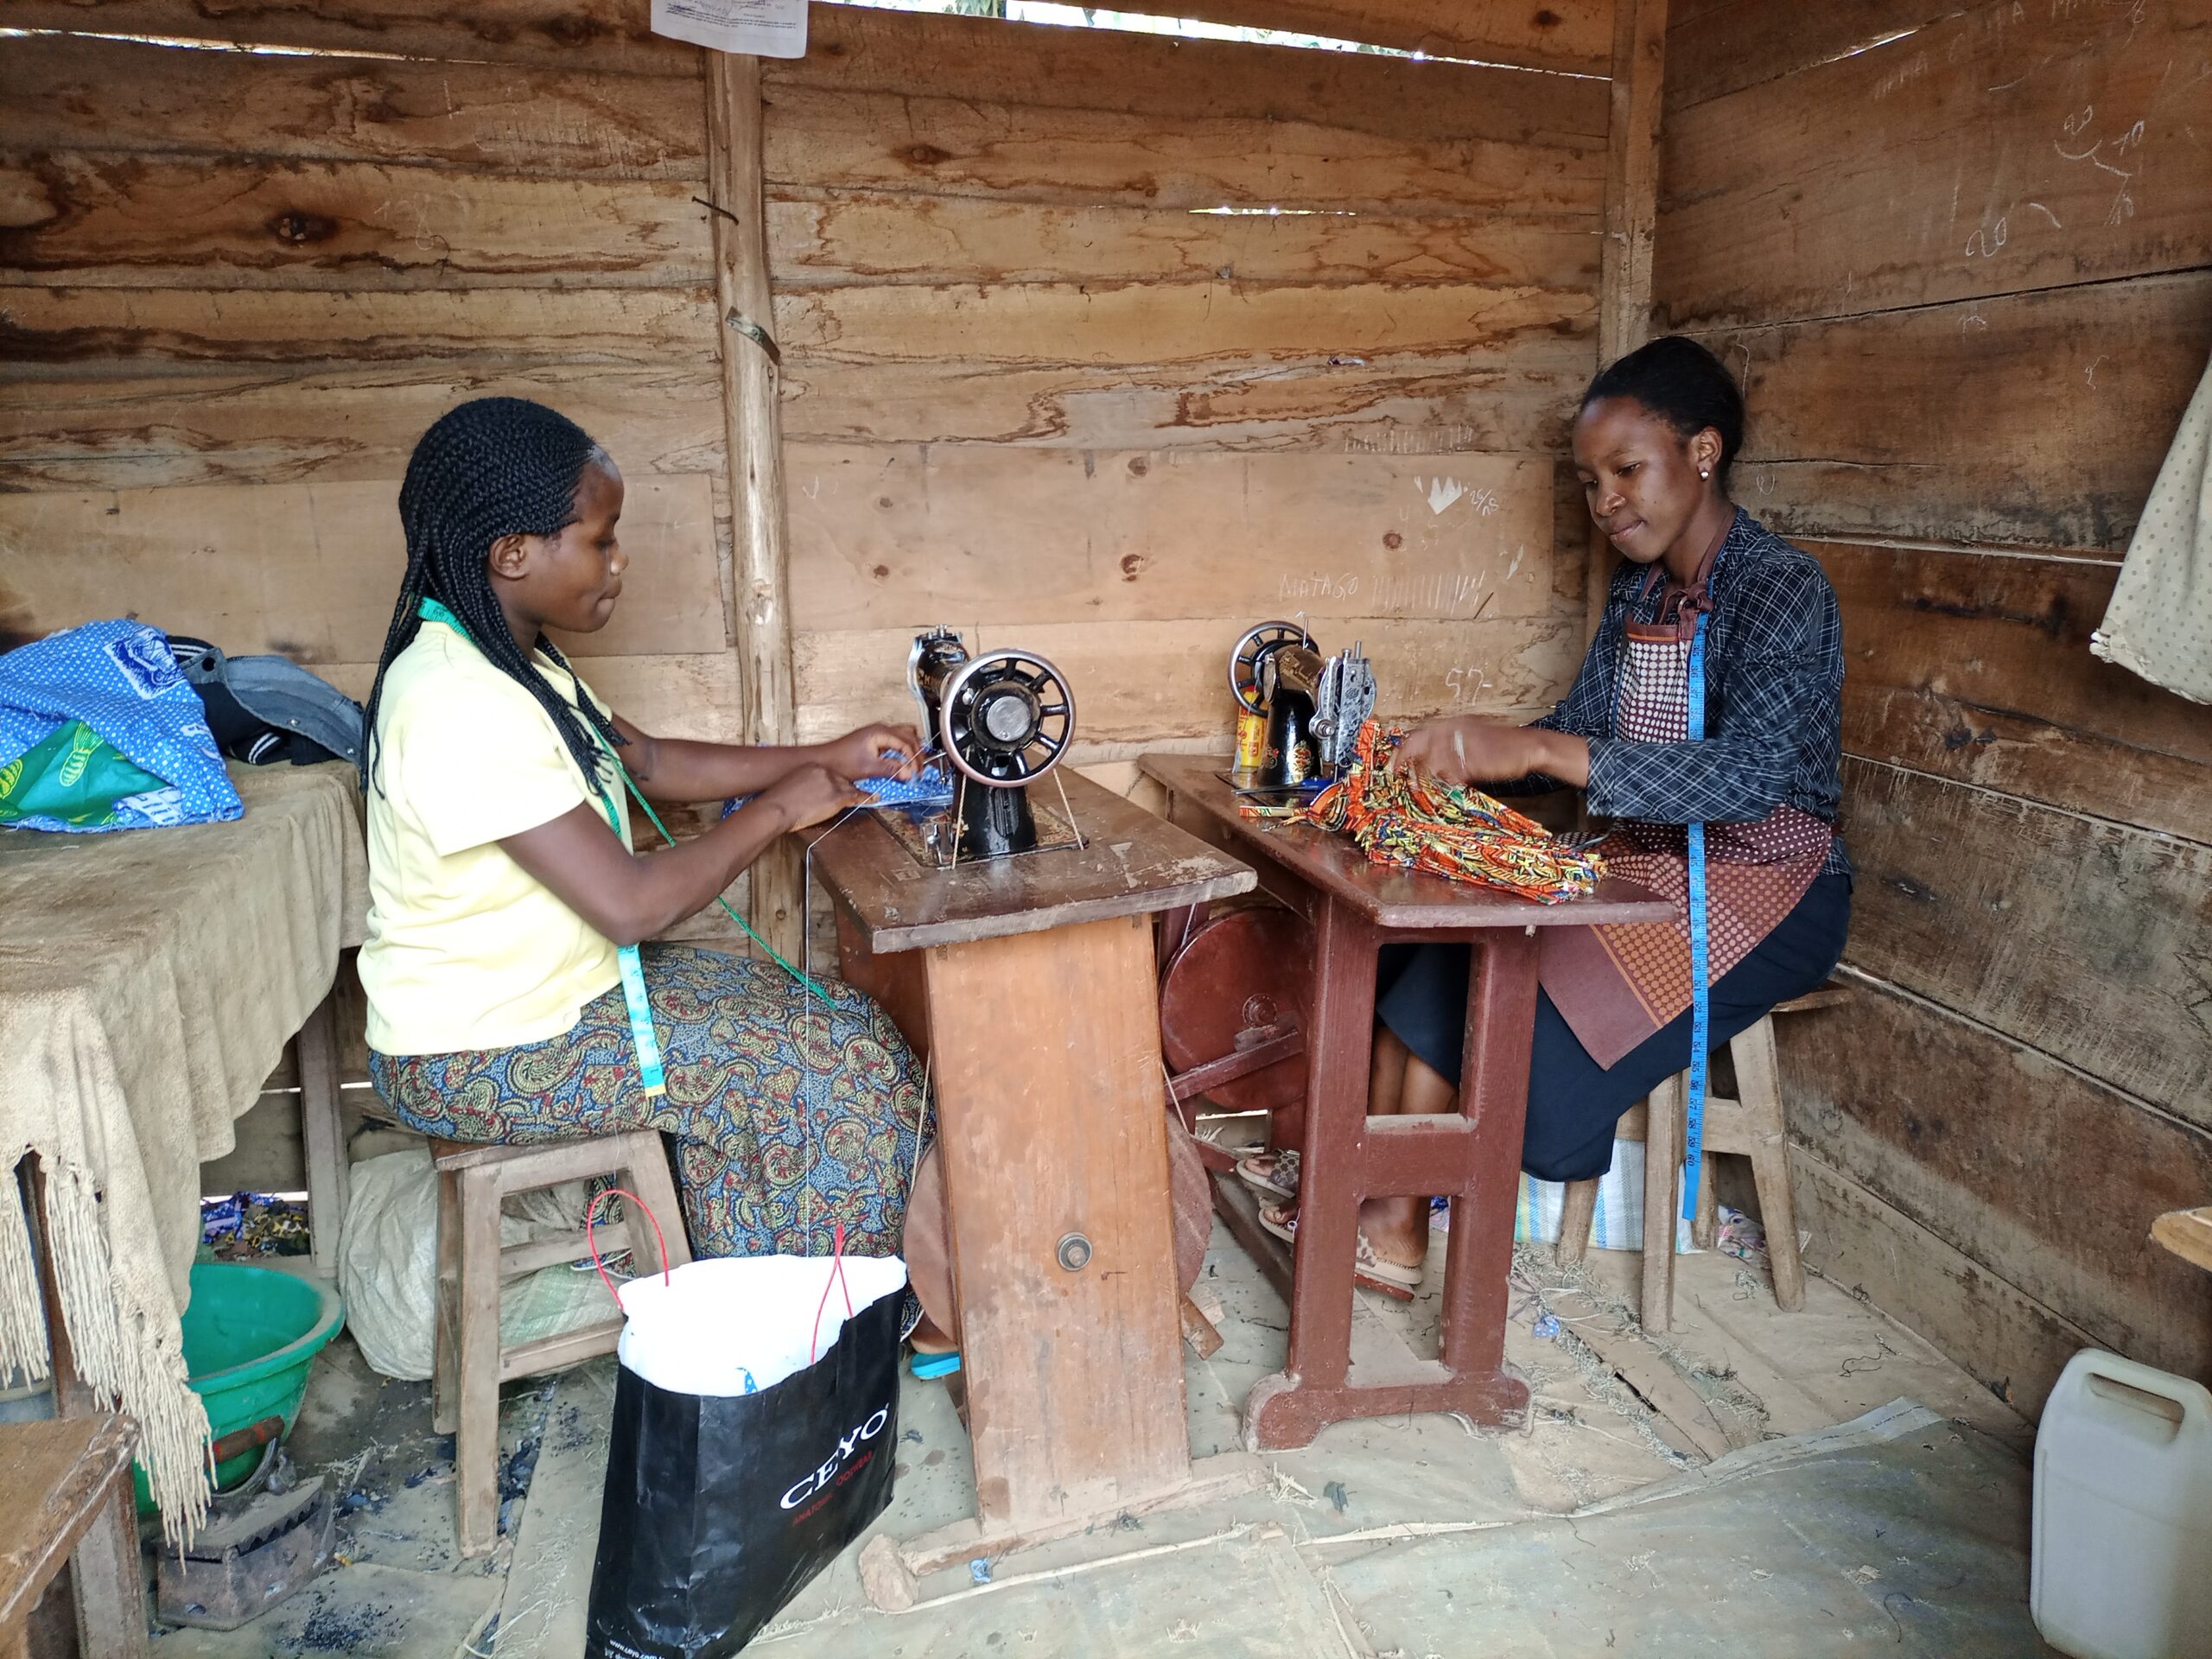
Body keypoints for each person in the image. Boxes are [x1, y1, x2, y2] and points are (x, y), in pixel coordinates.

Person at [1246, 336, 1852, 1292]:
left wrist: (1528, 750)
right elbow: (1572, 733)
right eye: (1588, 480)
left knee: (1490, 983)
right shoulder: (1640, 592)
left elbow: (1751, 777)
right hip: (1646, 861)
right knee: (1424, 948)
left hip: (1767, 881)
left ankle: (1398, 1224)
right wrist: (1445, 756)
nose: (1605, 501)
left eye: (1626, 471)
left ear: (1703, 452)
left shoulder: (1782, 590)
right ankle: (1365, 1189)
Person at [357, 397, 933, 1320]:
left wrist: (826, 754)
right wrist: (785, 806)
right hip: (481, 1052)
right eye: (599, 539)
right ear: (513, 554)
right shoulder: (456, 699)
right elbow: (631, 905)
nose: (618, 560)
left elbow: (651, 763)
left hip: (555, 1001)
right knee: (822, 1064)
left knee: (842, 1020)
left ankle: (798, 1295)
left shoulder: (516, 662)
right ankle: (807, 1333)